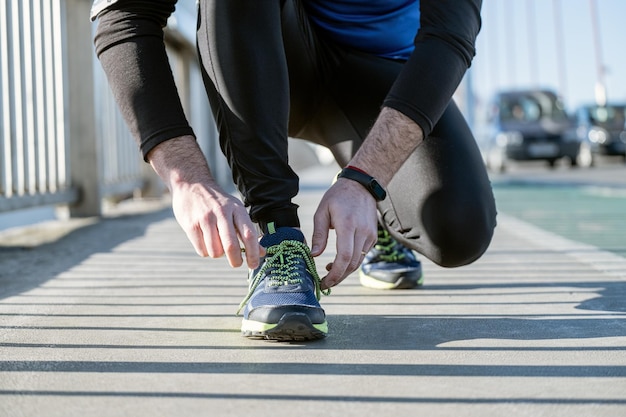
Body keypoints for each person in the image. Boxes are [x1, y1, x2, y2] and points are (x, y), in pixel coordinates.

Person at [92, 0, 497, 341]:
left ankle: (380, 219)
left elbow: (449, 35)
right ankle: (277, 238)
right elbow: (123, 13)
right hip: (281, 64)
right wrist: (186, 177)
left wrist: (366, 179)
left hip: (386, 81)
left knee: (458, 230)